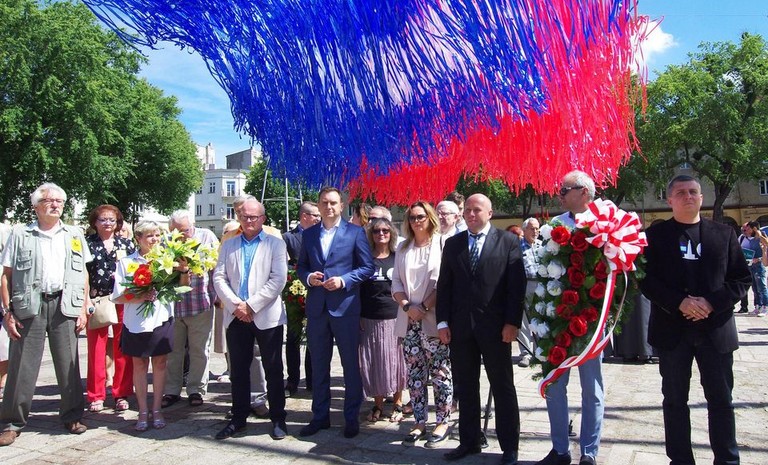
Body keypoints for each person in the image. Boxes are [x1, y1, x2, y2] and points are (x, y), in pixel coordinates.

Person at [640, 175, 751, 465]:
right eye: (681, 192)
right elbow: (646, 280)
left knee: (721, 401)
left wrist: (710, 303)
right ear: (670, 200)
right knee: (675, 401)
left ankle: (727, 459)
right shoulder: (655, 237)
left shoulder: (723, 234)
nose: (688, 196)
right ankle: (680, 460)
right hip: (672, 331)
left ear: (702, 198)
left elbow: (741, 279)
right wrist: (679, 302)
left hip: (715, 331)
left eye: (693, 192)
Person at [437, 194, 525, 465]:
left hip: (496, 328)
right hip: (461, 328)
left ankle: (509, 446)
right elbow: (445, 286)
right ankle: (469, 441)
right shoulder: (453, 244)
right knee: (466, 386)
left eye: (477, 210)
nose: (471, 214)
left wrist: (512, 323)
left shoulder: (508, 241)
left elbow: (516, 287)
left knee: (502, 386)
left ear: (490, 213)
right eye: (468, 210)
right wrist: (442, 322)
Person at [0, 183, 91, 446]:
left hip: (65, 305)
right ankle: (12, 422)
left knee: (68, 364)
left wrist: (83, 307)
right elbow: (6, 275)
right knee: (22, 366)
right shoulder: (20, 233)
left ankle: (72, 416)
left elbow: (83, 274)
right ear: (36, 206)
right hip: (29, 305)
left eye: (59, 201)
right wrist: (7, 312)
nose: (55, 205)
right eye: (49, 200)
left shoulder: (74, 234)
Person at [536, 170, 603, 465]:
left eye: (564, 190)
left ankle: (589, 452)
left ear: (583, 192)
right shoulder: (555, 226)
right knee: (555, 384)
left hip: (592, 318)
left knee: (592, 388)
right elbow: (543, 267)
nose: (559, 195)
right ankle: (560, 449)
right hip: (559, 317)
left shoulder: (605, 223)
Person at [297, 186, 374, 439]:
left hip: (345, 308)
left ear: (342, 206)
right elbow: (301, 266)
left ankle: (351, 418)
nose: (328, 207)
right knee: (319, 365)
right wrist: (308, 277)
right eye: (324, 202)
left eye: (333, 203)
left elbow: (367, 267)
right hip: (318, 309)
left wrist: (344, 280)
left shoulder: (355, 232)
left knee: (350, 366)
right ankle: (320, 417)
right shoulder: (309, 234)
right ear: (318, 206)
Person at [213, 198, 289, 440]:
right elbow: (219, 277)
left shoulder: (276, 244)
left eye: (253, 217)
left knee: (273, 368)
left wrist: (251, 305)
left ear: (262, 219)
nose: (248, 220)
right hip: (236, 315)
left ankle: (278, 418)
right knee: (238, 370)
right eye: (244, 216)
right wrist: (236, 305)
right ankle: (238, 419)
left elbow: (278, 279)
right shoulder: (229, 244)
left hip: (266, 315)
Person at [112, 220, 186, 431]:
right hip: (136, 321)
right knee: (140, 365)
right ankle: (143, 411)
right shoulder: (127, 262)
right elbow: (118, 296)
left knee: (160, 364)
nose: (154, 239)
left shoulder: (167, 260)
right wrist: (140, 295)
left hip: (161, 317)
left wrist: (183, 270)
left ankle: (157, 409)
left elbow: (183, 288)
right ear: (138, 239)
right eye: (149, 236)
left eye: (157, 235)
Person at [392, 201, 452, 448]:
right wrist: (408, 306)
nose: (416, 221)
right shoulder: (403, 247)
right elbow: (396, 282)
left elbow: (444, 283)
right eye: (412, 217)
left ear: (430, 218)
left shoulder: (442, 243)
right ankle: (419, 422)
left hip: (434, 319)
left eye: (421, 216)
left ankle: (443, 421)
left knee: (440, 373)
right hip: (409, 320)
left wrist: (424, 307)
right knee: (415, 374)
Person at [163, 210, 219, 408]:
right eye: (176, 231)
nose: (181, 235)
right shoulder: (166, 242)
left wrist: (217, 296)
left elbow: (217, 268)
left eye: (185, 230)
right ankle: (171, 390)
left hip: (200, 303)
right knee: (173, 351)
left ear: (192, 225)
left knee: (199, 350)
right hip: (173, 306)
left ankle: (196, 389)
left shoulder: (207, 237)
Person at [85, 205, 136, 413]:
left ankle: (121, 393)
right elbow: (83, 274)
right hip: (97, 300)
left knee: (123, 348)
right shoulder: (87, 244)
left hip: (123, 299)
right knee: (96, 349)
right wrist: (85, 300)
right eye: (103, 219)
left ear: (118, 223)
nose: (107, 223)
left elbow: (134, 270)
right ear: (95, 223)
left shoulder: (126, 244)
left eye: (111, 220)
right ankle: (96, 395)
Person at [360, 218, 407, 423]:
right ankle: (378, 404)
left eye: (385, 230)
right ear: (371, 234)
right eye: (377, 230)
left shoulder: (398, 257)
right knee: (375, 362)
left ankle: (397, 402)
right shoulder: (364, 259)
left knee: (396, 362)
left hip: (395, 316)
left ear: (391, 233)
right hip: (370, 317)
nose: (381, 234)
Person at [282, 201, 320, 396]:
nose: (319, 218)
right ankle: (292, 381)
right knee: (293, 338)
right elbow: (283, 265)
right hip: (294, 295)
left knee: (314, 337)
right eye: (315, 215)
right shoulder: (288, 238)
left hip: (316, 292)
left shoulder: (321, 235)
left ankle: (312, 380)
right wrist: (296, 276)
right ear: (305, 216)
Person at [517, 217, 541, 368]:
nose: (535, 231)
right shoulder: (517, 247)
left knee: (540, 318)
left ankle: (540, 351)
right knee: (524, 321)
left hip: (541, 285)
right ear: (524, 230)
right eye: (532, 228)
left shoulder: (542, 245)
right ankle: (525, 354)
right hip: (525, 284)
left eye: (537, 228)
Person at [742, 221, 768, 316]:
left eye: (749, 228)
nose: (747, 230)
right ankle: (758, 306)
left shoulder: (761, 235)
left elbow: (767, 244)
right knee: (755, 288)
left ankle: (765, 306)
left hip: (760, 264)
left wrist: (760, 235)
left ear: (754, 229)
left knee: (762, 287)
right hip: (751, 265)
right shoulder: (750, 239)